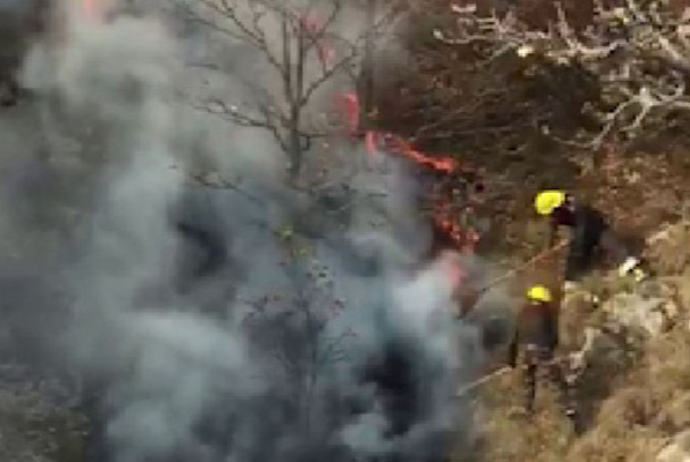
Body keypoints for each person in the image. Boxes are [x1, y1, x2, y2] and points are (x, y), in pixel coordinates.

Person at [534, 190, 647, 290]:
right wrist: (548, 247)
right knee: (579, 256)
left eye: (551, 213)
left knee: (611, 248)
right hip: (584, 229)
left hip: (594, 226)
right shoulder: (561, 210)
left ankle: (635, 270)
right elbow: (554, 226)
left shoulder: (578, 209)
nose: (551, 216)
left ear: (557, 206)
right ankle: (575, 280)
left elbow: (580, 239)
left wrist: (570, 275)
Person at [508, 285, 577, 422]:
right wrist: (552, 351)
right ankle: (566, 408)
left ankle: (524, 407)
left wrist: (511, 359)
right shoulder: (546, 315)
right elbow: (553, 337)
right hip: (542, 352)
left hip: (525, 354)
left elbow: (514, 339)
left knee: (527, 381)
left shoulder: (522, 314)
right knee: (555, 380)